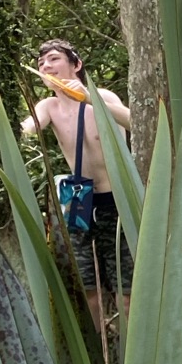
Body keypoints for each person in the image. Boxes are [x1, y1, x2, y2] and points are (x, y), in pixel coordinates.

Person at [22, 39, 133, 328]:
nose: (46, 66)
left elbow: (135, 121)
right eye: (41, 63)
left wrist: (90, 99)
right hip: (79, 202)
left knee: (128, 293)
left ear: (76, 65)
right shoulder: (49, 106)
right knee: (87, 292)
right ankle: (97, 358)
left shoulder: (103, 97)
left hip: (115, 203)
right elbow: (29, 127)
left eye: (54, 59)